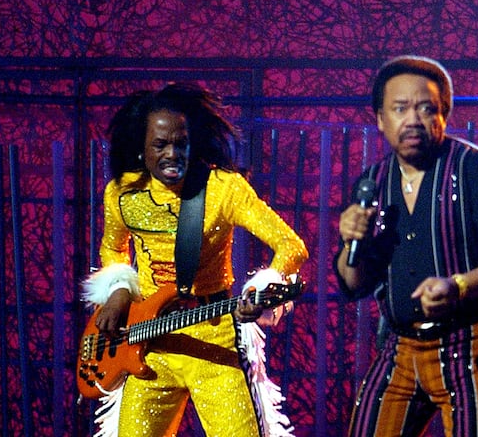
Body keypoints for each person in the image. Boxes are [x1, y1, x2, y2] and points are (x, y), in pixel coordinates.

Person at [81, 82, 308, 437]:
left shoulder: (223, 189)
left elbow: (291, 246)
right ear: (142, 149)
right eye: (160, 145)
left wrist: (262, 289)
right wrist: (119, 291)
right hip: (149, 344)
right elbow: (112, 248)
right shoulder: (123, 194)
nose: (172, 154)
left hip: (214, 338)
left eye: (180, 144)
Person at [334, 56, 478, 437]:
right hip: (399, 347)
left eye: (425, 108)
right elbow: (354, 284)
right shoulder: (372, 183)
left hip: (469, 341)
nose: (412, 119)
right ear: (381, 119)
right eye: (400, 108)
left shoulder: (477, 169)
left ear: (443, 115)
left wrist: (459, 287)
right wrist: (353, 243)